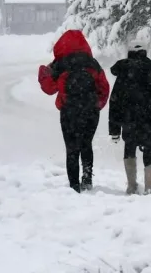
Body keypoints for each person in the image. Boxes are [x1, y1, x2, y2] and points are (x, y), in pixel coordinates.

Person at [38, 30, 110, 193]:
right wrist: (97, 104)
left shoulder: (60, 64)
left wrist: (43, 70)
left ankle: (74, 185)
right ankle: (87, 178)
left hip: (69, 111)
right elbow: (104, 88)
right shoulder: (92, 63)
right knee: (86, 144)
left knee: (71, 148)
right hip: (91, 111)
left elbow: (48, 88)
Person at [108, 43, 151, 195]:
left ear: (130, 53)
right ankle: (149, 190)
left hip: (129, 122)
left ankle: (131, 187)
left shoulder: (123, 75)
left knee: (129, 152)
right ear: (144, 53)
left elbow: (115, 103)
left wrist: (114, 130)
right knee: (150, 158)